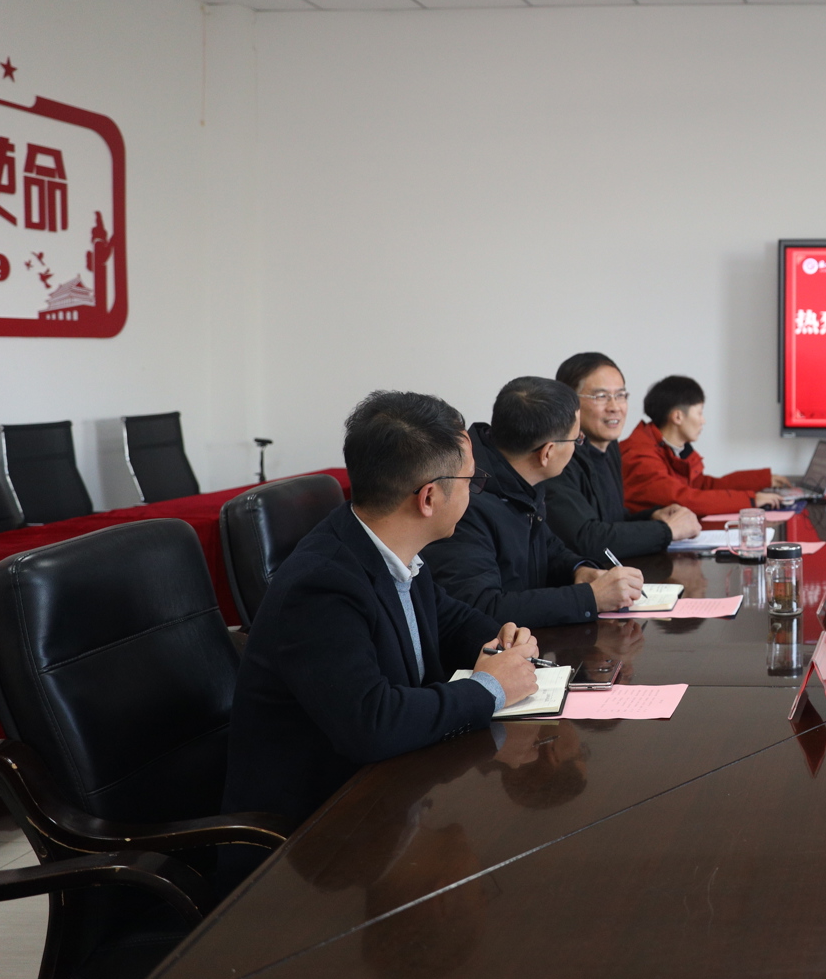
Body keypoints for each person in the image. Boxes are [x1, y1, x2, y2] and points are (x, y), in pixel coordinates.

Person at [223, 391, 541, 832]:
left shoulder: (387, 542)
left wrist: (500, 639)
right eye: (471, 480)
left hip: (394, 790)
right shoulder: (320, 587)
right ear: (428, 498)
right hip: (319, 833)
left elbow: (445, 617)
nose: (474, 491)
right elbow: (372, 724)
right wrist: (490, 688)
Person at [425, 377, 645, 626]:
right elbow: (482, 608)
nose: (578, 446)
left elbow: (547, 546)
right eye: (577, 439)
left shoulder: (517, 475)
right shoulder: (465, 500)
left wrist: (579, 570)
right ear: (547, 453)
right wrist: (591, 598)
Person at [545, 352, 702, 559]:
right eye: (601, 397)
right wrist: (667, 530)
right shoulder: (556, 457)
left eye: (620, 396)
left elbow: (610, 522)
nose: (614, 407)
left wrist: (653, 517)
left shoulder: (609, 448)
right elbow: (586, 540)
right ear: (569, 403)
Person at [619, 374, 791, 515]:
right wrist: (750, 500)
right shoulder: (639, 455)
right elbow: (682, 499)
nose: (703, 421)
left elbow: (705, 486)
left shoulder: (670, 450)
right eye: (699, 413)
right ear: (678, 417)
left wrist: (762, 480)